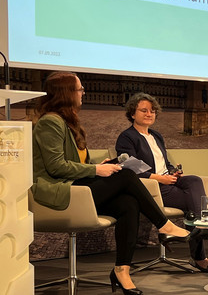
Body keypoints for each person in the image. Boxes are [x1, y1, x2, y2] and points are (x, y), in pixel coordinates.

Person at [31, 72, 191, 295]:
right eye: (79, 89)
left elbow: (76, 163)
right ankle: (164, 225)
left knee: (128, 203)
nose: (83, 93)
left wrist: (99, 164)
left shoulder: (68, 122)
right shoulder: (50, 122)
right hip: (57, 193)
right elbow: (56, 167)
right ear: (66, 93)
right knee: (126, 176)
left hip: (77, 188)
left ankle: (121, 270)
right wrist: (97, 169)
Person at [115, 92, 208, 273]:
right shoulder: (127, 137)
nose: (149, 114)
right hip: (152, 186)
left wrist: (173, 172)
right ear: (132, 113)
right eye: (144, 110)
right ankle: (199, 256)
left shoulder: (156, 135)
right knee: (192, 204)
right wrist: (160, 178)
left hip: (168, 180)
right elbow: (130, 168)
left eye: (153, 111)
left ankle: (201, 226)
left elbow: (165, 163)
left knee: (194, 181)